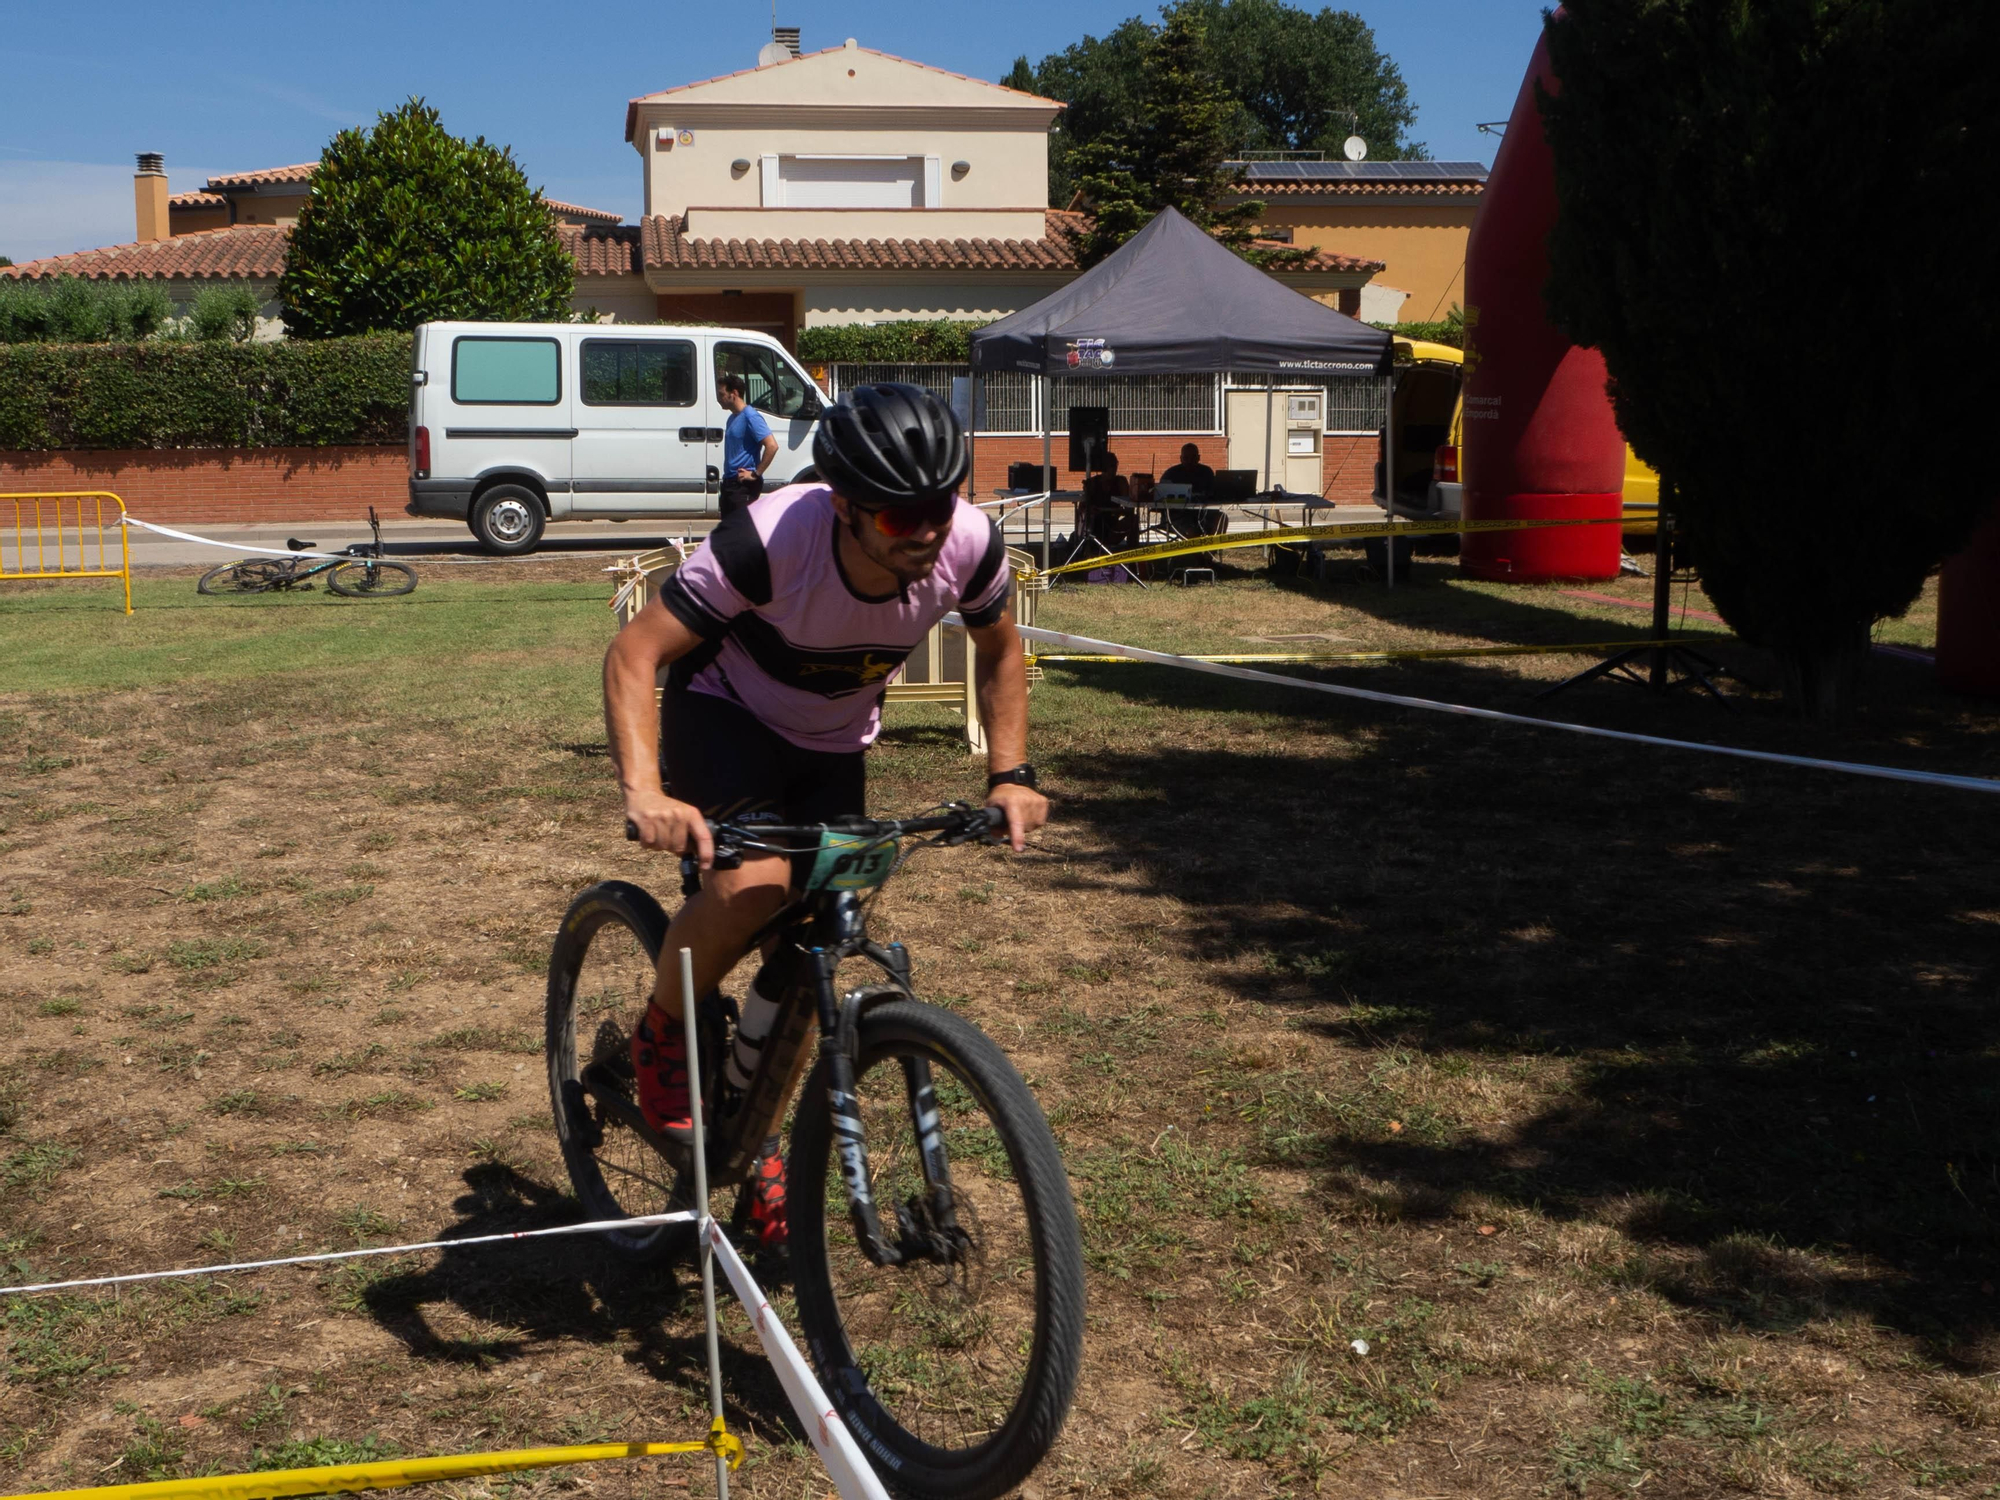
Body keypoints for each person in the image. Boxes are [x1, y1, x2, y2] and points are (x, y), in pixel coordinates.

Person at [601, 383, 1051, 1251]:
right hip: (727, 713)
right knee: (758, 882)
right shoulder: (769, 540)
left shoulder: (967, 542)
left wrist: (1011, 773)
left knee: (824, 929)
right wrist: (647, 793)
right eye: (896, 518)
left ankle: (756, 1124)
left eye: (938, 506)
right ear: (844, 505)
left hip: (835, 738)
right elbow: (636, 651)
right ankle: (663, 1027)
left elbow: (1000, 649)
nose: (924, 531)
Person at [717, 373, 778, 518]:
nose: (719, 399)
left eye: (722, 394)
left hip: (743, 487)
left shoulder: (751, 416)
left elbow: (772, 446)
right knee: (729, 533)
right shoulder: (732, 418)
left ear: (734, 393)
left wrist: (756, 473)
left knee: (741, 533)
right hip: (730, 484)